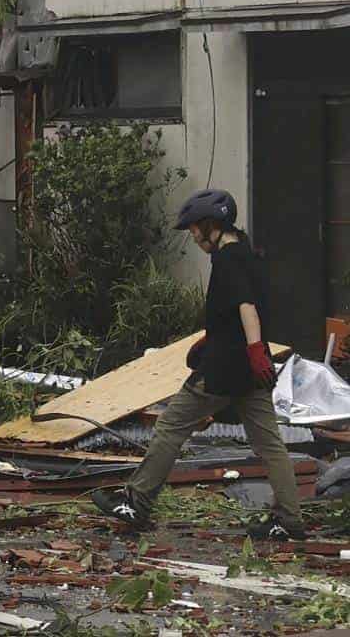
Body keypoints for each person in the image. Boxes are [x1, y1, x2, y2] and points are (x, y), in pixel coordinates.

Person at [93, 188, 305, 540]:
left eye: (193, 228)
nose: (192, 236)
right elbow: (241, 310)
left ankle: (137, 501)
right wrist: (220, 340)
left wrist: (250, 348)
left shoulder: (228, 258)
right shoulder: (248, 254)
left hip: (225, 368)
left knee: (170, 426)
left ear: (210, 225)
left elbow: (246, 306)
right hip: (251, 371)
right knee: (269, 444)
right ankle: (290, 519)